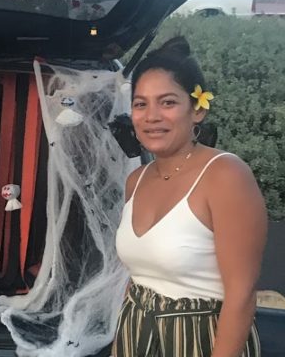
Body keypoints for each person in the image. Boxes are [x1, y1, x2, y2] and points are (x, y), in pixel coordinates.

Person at [112, 37, 267, 357]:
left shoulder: (224, 175)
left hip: (202, 340)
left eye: (167, 102)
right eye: (140, 104)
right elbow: (138, 279)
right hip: (135, 334)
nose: (151, 116)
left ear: (197, 109)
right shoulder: (136, 181)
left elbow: (241, 295)